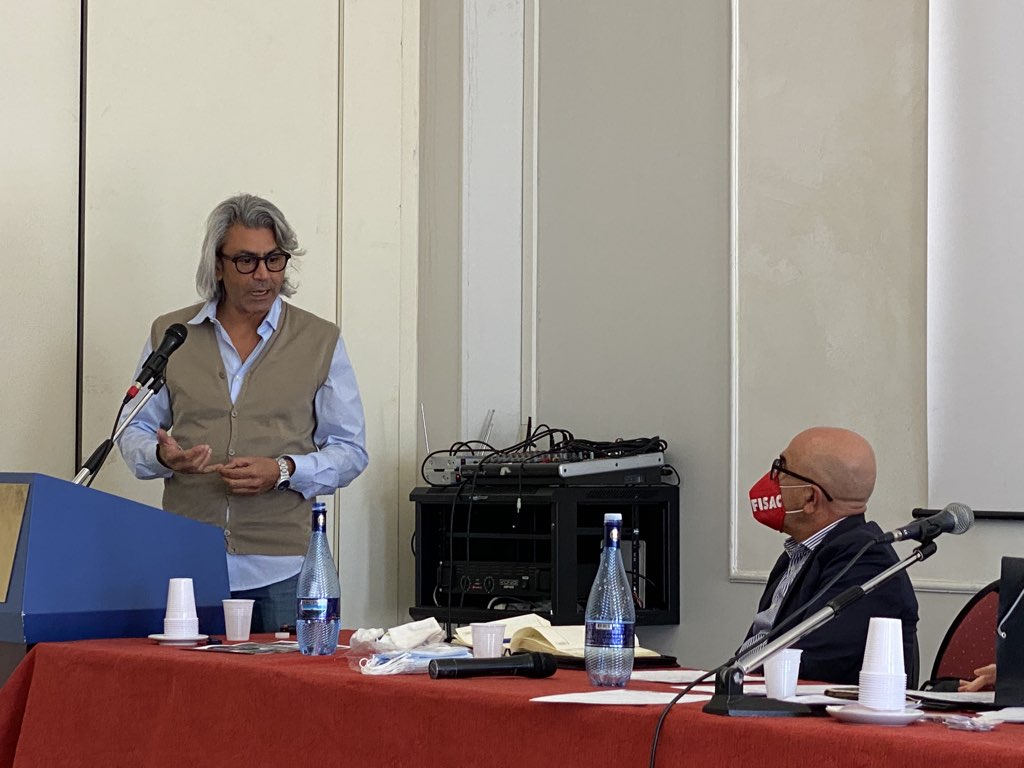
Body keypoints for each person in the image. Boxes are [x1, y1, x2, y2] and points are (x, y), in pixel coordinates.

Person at [118, 193, 368, 633]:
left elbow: (350, 450)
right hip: (188, 562)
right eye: (247, 261)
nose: (263, 275)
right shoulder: (173, 334)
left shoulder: (319, 339)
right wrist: (163, 457)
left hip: (284, 570)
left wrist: (284, 470)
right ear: (217, 265)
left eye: (274, 260)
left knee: (285, 680)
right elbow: (132, 426)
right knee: (188, 679)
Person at [737, 426, 919, 684]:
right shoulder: (799, 554)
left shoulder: (866, 564)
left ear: (810, 498)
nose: (773, 478)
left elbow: (806, 666)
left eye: (781, 468)